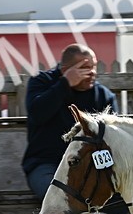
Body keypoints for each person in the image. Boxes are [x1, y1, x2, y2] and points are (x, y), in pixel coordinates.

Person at [22, 43, 117, 200]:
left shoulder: (103, 96)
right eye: (84, 68)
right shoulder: (42, 83)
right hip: (47, 164)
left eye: (93, 66)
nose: (92, 72)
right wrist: (64, 84)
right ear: (65, 70)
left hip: (90, 166)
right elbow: (37, 114)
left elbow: (112, 140)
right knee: (57, 197)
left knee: (121, 196)